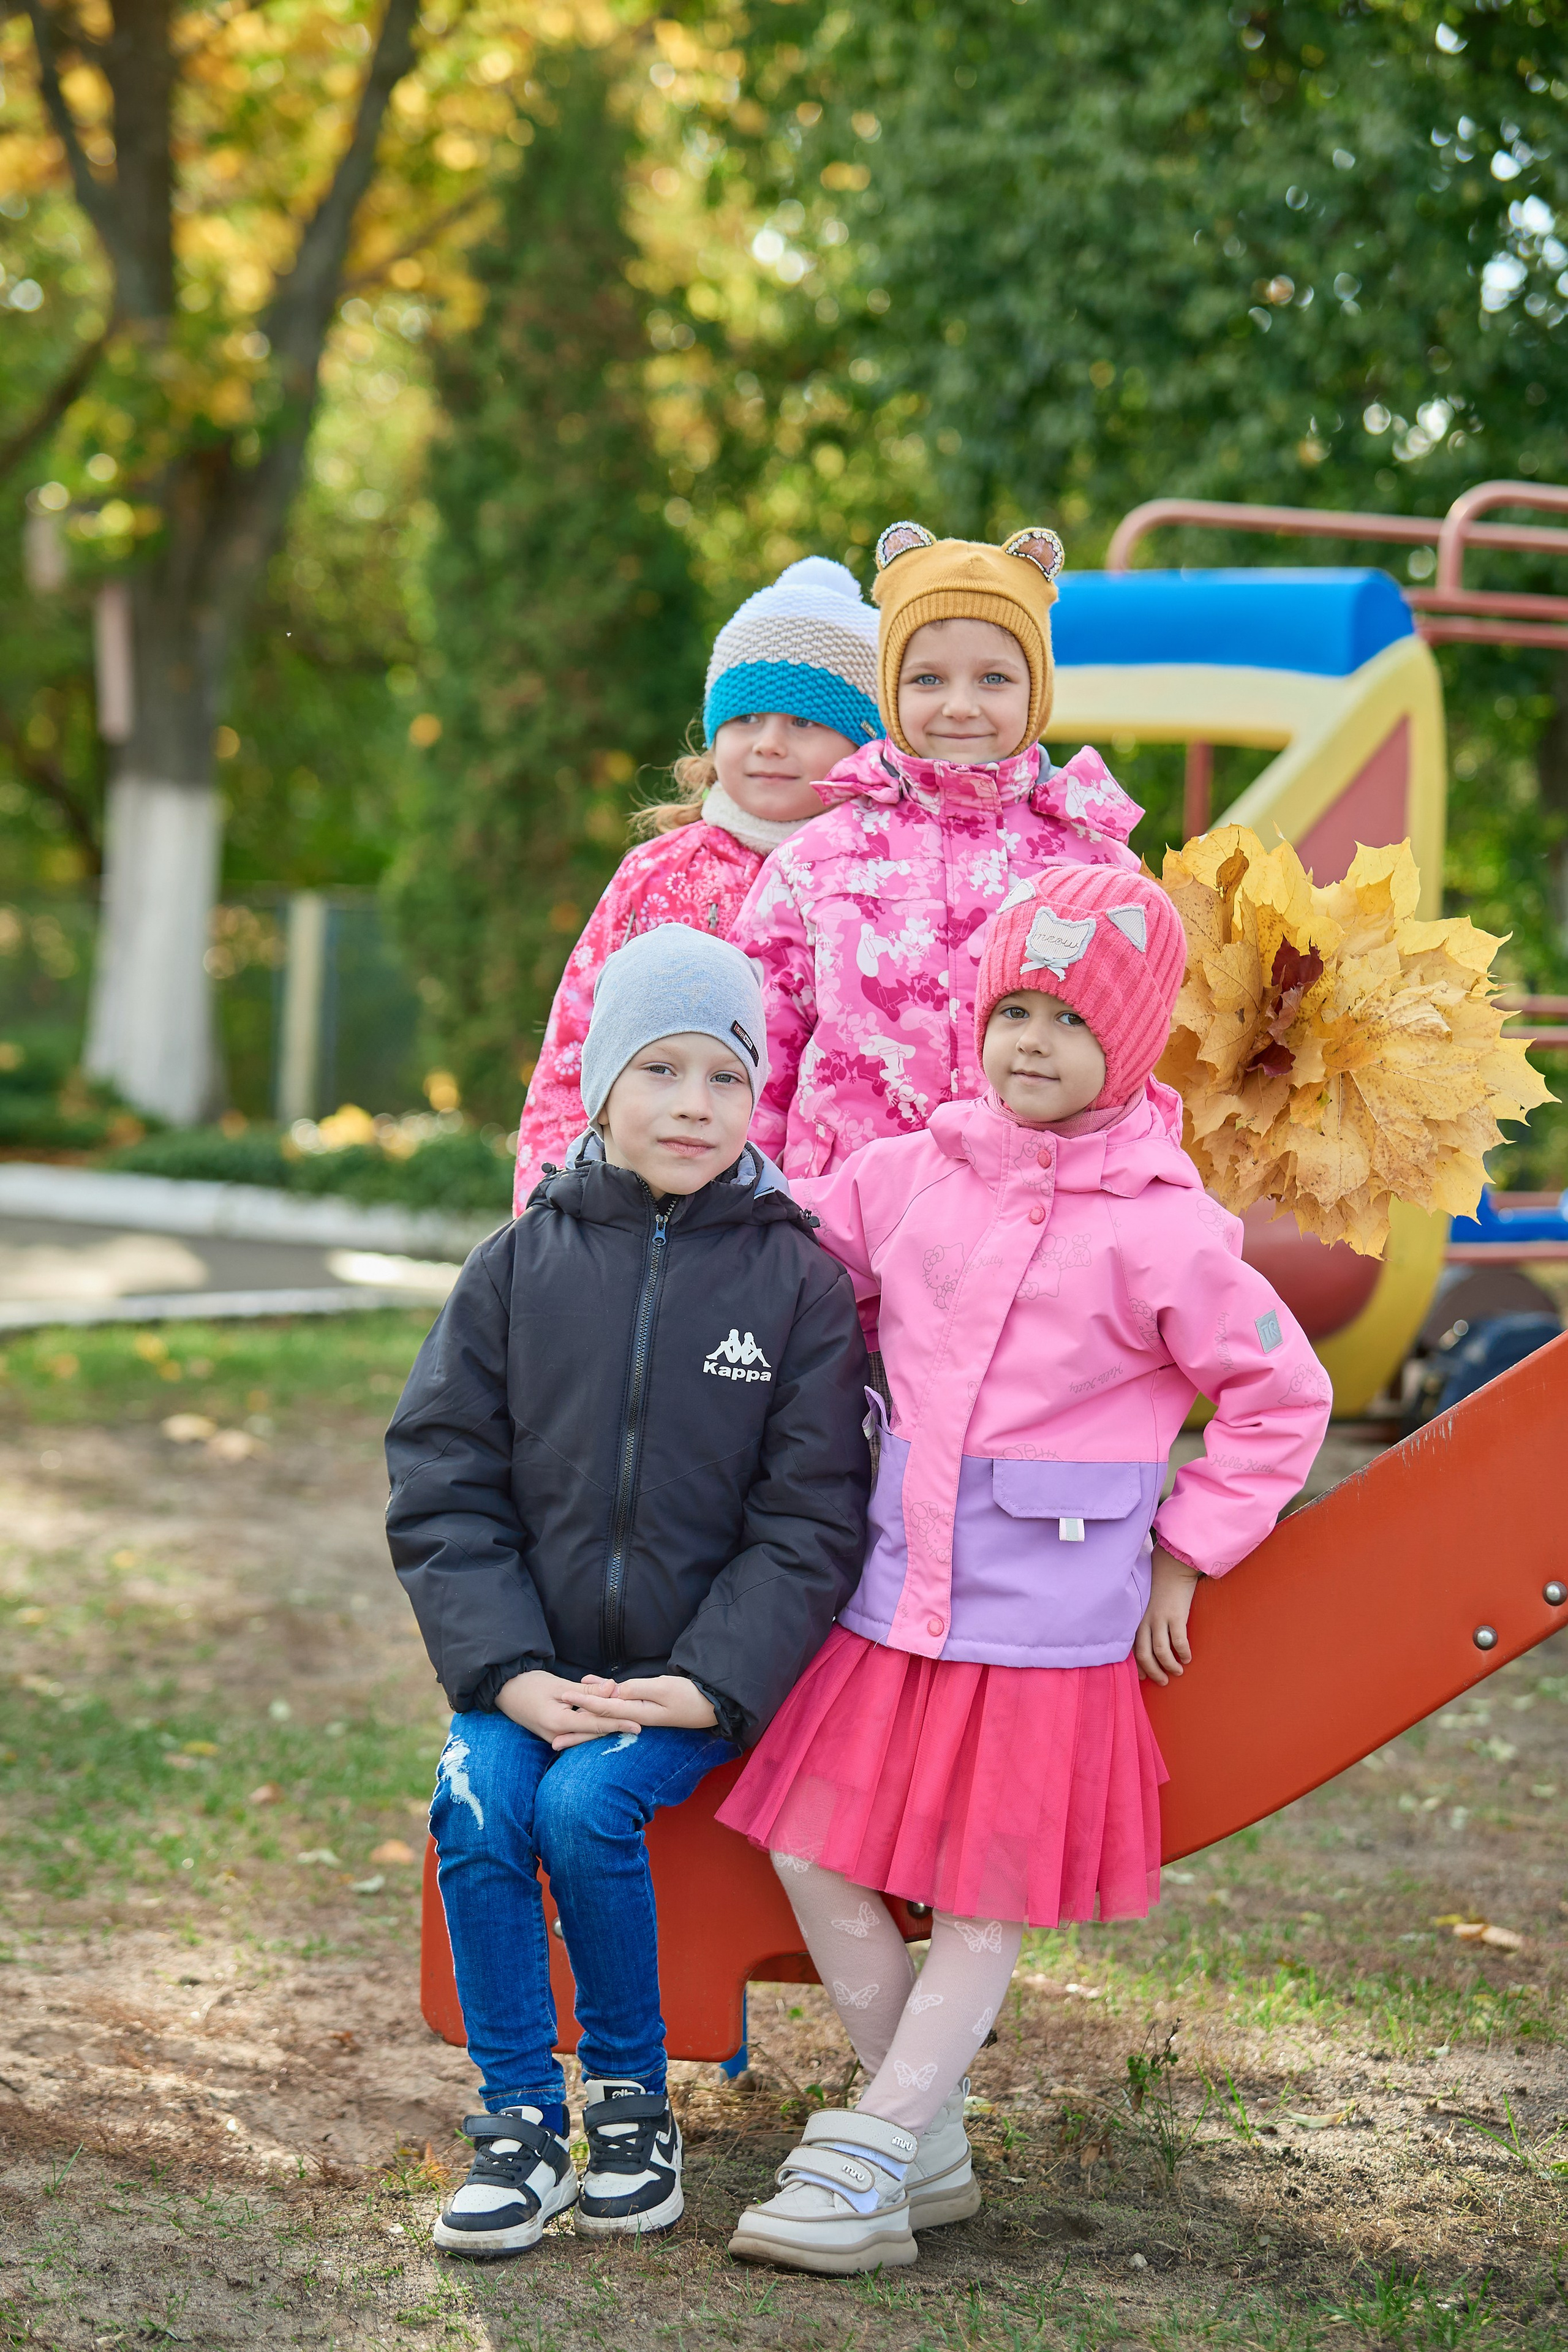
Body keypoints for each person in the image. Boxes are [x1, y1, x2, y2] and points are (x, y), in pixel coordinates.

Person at [717, 862, 1333, 2274]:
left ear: (1124, 1043)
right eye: (1010, 1009)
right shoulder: (902, 1176)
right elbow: (797, 1284)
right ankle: (917, 2134)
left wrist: (1186, 1547)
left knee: (984, 1894)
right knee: (808, 1842)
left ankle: (870, 2148)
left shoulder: (1164, 1228)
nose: (1031, 1042)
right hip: (889, 1601)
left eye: (1067, 1017)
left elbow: (1275, 1397)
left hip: (1041, 1622)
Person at [388, 928, 872, 2258]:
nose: (692, 1105)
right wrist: (501, 1672)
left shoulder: (795, 1282)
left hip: (685, 1678)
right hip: (529, 1664)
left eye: (724, 1078)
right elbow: (442, 1478)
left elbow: (811, 1516)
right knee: (482, 1803)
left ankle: (629, 2110)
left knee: (590, 1805)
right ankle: (520, 2127)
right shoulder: (516, 1268)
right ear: (601, 1085)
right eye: (659, 1071)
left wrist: (705, 1686)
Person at [729, 521, 1145, 1183]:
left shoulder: (1095, 868)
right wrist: (742, 1211)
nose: (959, 706)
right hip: (845, 1233)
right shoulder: (816, 863)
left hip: (1040, 1224)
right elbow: (755, 1052)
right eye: (927, 679)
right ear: (890, 688)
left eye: (993, 679)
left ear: (1035, 691)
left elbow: (1140, 1057)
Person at [513, 557, 881, 1207]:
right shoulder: (658, 874)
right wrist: (550, 1199)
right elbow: (577, 1043)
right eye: (745, 720)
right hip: (648, 1203)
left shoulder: (880, 881)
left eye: (804, 722)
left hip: (815, 1211)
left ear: (865, 740)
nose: (769, 743)